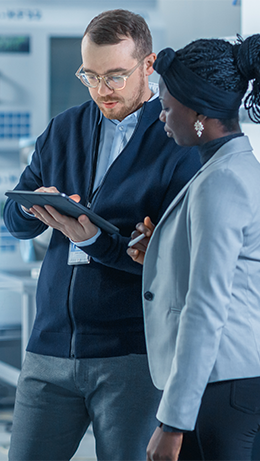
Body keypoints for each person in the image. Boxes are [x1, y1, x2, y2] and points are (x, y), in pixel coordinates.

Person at [3, 9, 200, 461]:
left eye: (115, 76)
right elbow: (15, 223)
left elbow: (168, 261)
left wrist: (92, 239)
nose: (100, 90)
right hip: (50, 349)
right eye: (89, 75)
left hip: (130, 355)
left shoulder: (177, 139)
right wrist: (36, 207)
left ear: (148, 66)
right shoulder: (65, 128)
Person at [127, 34, 260, 461]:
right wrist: (164, 253)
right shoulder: (240, 169)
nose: (162, 118)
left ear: (198, 112)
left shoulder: (220, 183)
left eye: (167, 107)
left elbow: (206, 306)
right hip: (238, 378)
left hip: (219, 386)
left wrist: (172, 423)